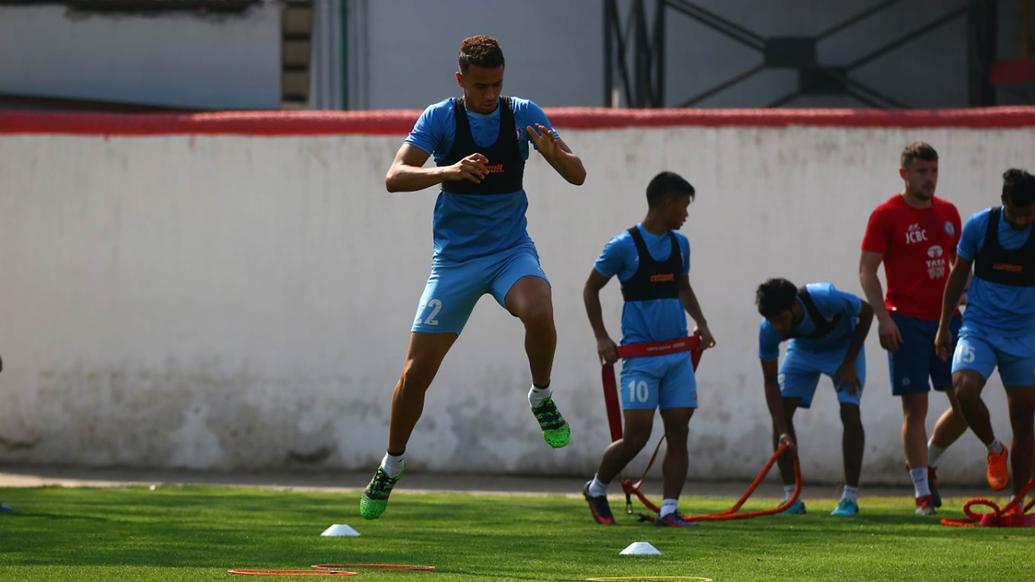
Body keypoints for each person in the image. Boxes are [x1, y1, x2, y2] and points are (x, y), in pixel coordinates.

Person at [359, 35, 586, 520]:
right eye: (480, 86)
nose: (489, 94)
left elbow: (578, 174)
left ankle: (541, 395)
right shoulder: (440, 117)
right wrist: (449, 171)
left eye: (497, 85)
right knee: (415, 374)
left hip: (509, 253)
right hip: (456, 262)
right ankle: (392, 464)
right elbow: (394, 176)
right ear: (461, 80)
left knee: (541, 309)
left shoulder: (523, 112)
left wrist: (553, 153)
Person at [581, 172, 715, 527]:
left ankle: (669, 509)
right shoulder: (623, 246)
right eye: (684, 205)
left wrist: (701, 323)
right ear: (667, 202)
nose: (686, 213)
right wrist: (602, 338)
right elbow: (591, 289)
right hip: (640, 359)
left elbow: (683, 287)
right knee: (637, 437)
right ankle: (596, 488)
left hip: (677, 358)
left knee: (679, 430)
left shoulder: (681, 245)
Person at [859, 142, 978, 515]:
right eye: (922, 172)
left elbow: (960, 267)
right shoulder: (886, 215)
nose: (929, 179)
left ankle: (925, 460)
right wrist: (884, 319)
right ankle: (922, 493)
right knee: (916, 408)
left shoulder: (948, 213)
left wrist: (970, 301)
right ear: (904, 174)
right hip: (906, 322)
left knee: (966, 405)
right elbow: (867, 271)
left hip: (946, 321)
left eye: (934, 171)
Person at [936, 168, 1035, 506]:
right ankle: (994, 449)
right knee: (963, 388)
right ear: (1003, 201)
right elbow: (957, 276)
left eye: (1029, 213)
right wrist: (942, 327)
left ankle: (1017, 501)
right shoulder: (980, 226)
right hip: (980, 326)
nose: (1022, 219)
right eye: (1016, 212)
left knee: (1023, 416)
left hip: (1025, 334)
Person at [756, 278, 873, 517]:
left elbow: (867, 312)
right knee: (781, 415)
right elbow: (770, 384)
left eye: (781, 319)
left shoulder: (825, 298)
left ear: (795, 307)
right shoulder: (769, 329)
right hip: (804, 351)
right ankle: (792, 498)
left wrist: (849, 361)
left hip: (843, 350)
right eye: (772, 321)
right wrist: (782, 432)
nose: (777, 327)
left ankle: (849, 497)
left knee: (849, 410)